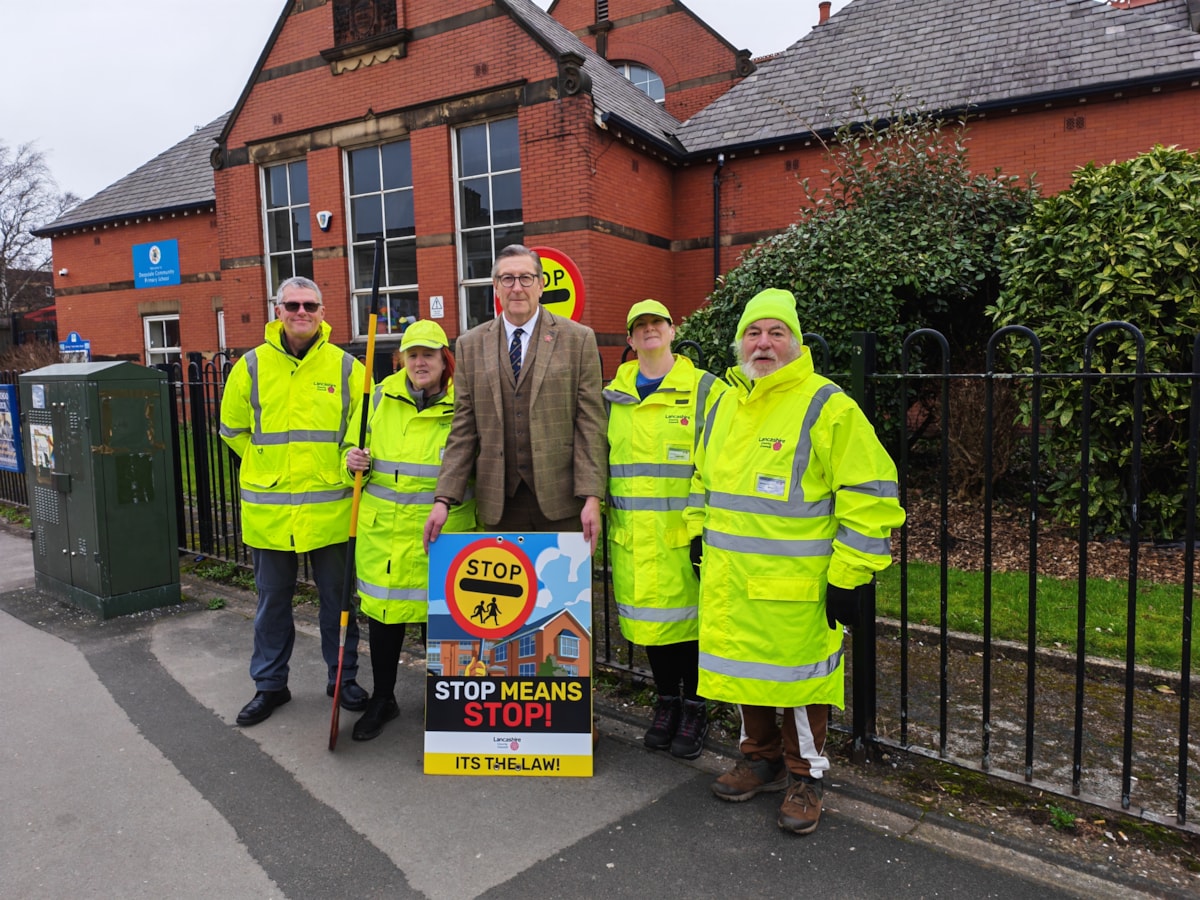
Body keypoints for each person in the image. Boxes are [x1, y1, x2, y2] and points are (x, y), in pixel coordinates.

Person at [685, 288, 905, 834]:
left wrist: (850, 575)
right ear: (741, 343)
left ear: (796, 342)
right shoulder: (722, 403)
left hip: (797, 588)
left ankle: (806, 777)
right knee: (744, 674)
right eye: (754, 333)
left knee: (803, 684)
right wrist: (695, 532)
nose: (764, 343)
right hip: (732, 582)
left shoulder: (827, 406)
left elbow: (872, 495)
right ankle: (759, 759)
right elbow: (701, 479)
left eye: (776, 333)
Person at [220, 276, 367, 727]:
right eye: (292, 305)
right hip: (271, 512)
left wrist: (348, 462)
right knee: (271, 603)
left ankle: (342, 678)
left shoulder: (348, 368)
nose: (301, 312)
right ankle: (269, 686)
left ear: (324, 312)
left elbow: (360, 433)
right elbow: (232, 429)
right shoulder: (250, 366)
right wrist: (268, 468)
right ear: (277, 310)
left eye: (310, 305)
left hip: (332, 509)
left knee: (339, 604)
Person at [603, 299, 727, 759]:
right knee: (652, 626)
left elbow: (717, 464)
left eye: (657, 322)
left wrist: (702, 525)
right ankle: (666, 702)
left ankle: (695, 708)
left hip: (685, 536)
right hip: (633, 536)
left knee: (691, 626)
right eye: (640, 326)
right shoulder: (611, 397)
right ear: (631, 340)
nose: (649, 331)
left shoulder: (705, 390)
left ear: (673, 330)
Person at [344, 320, 477, 741]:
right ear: (400, 358)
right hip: (386, 533)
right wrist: (350, 462)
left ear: (444, 359)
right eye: (413, 354)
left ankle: (445, 702)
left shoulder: (465, 404)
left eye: (430, 355)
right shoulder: (378, 397)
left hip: (445, 533)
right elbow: (346, 450)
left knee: (442, 622)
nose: (420, 362)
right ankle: (384, 697)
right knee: (385, 619)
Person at [423, 244, 606, 548]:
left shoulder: (578, 339)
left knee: (560, 592)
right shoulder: (471, 345)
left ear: (541, 284)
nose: (517, 288)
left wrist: (592, 496)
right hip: (499, 505)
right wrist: (443, 499)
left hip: (562, 501)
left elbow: (590, 424)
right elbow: (463, 429)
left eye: (526, 278)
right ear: (496, 287)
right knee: (509, 594)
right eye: (507, 279)